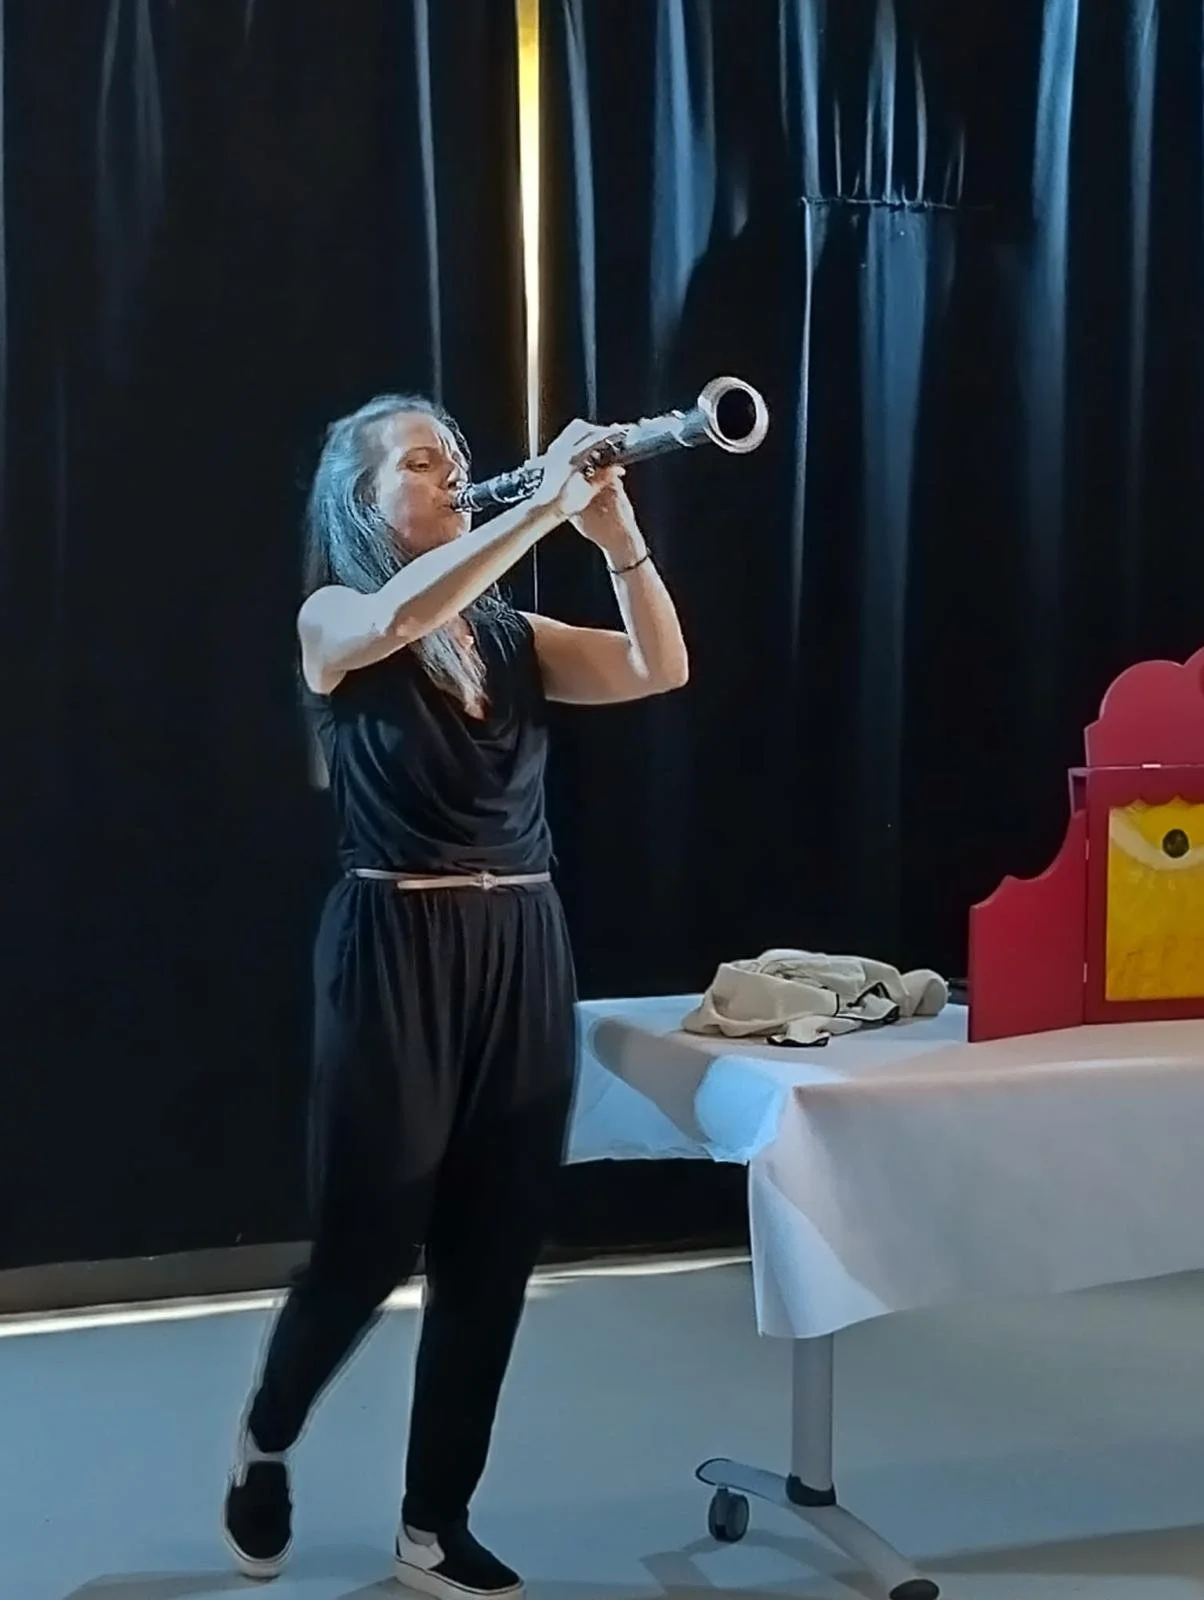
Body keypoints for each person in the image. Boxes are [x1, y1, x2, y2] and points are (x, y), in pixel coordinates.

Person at [222, 394, 690, 1596]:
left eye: (457, 460)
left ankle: (433, 1523)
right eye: (422, 463)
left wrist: (614, 532)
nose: (451, 474)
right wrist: (538, 505)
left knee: (495, 1247)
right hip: (395, 938)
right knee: (368, 1243)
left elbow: (659, 665)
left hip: (522, 938)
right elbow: (400, 616)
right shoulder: (336, 614)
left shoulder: (511, 630)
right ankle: (266, 1434)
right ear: (362, 500)